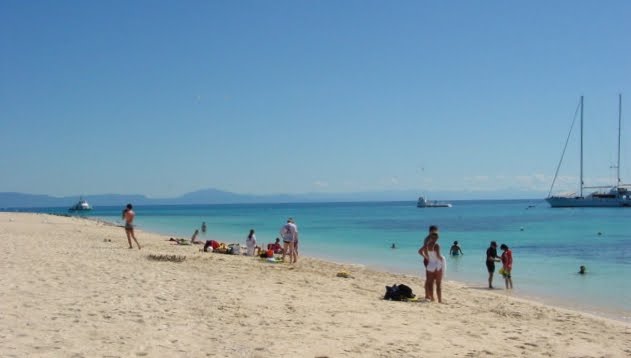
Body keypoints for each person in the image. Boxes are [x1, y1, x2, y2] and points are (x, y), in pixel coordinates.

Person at [419, 232, 444, 303]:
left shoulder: (427, 245)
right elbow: (438, 256)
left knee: (430, 283)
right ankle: (440, 300)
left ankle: (432, 298)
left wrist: (426, 257)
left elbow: (420, 252)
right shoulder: (436, 245)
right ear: (437, 238)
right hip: (437, 265)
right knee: (438, 284)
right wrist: (442, 259)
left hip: (430, 265)